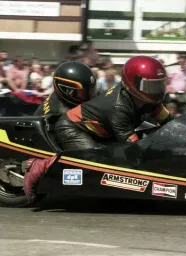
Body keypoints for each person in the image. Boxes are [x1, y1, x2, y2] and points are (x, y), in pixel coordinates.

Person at [23, 56, 174, 201]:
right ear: (133, 84)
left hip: (99, 129)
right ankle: (42, 165)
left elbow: (168, 120)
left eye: (159, 85)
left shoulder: (146, 99)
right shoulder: (119, 107)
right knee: (98, 163)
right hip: (72, 128)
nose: (156, 90)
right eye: (150, 86)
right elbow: (132, 145)